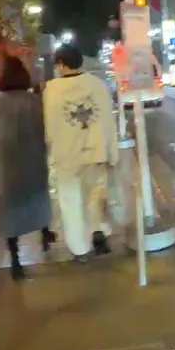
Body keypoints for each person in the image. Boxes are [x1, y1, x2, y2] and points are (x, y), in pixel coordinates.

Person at [43, 44, 119, 263]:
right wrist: (111, 152)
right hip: (96, 152)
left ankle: (80, 249)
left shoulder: (52, 89)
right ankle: (99, 232)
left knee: (71, 202)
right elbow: (108, 120)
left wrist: (51, 149)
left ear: (61, 64)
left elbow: (50, 124)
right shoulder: (97, 85)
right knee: (95, 197)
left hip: (67, 155)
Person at [0, 55, 55, 281]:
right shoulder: (35, 101)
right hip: (35, 158)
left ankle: (16, 260)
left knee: (12, 208)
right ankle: (45, 235)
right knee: (39, 197)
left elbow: (1, 136)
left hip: (10, 163)